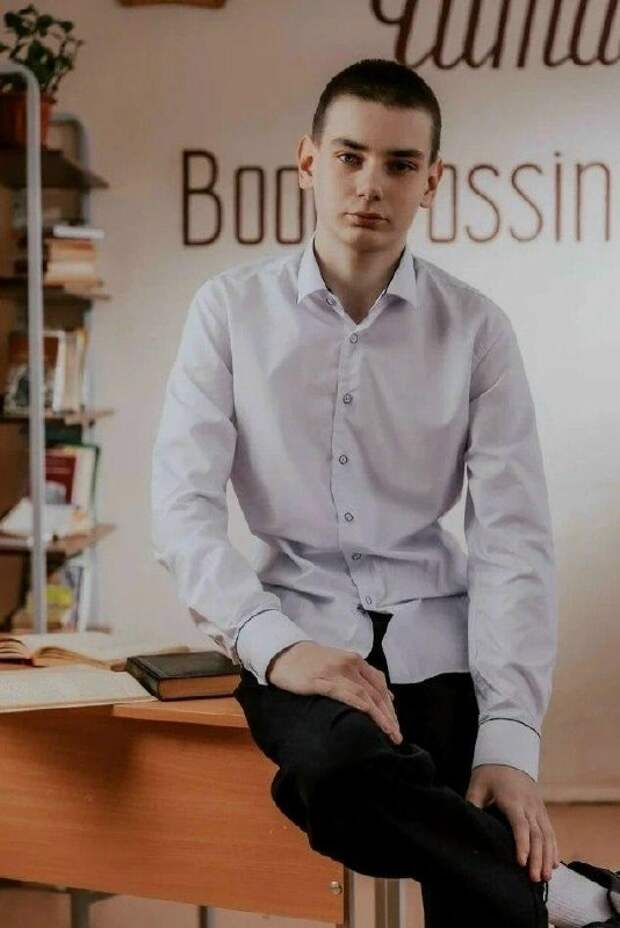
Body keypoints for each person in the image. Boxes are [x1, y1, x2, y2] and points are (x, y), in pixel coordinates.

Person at [151, 58, 619, 928]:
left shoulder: (477, 329)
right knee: (339, 776)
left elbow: (513, 539)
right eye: (350, 156)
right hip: (298, 631)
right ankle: (575, 896)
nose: (371, 184)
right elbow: (182, 510)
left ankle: (541, 893)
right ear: (308, 161)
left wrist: (510, 739)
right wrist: (275, 646)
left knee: (476, 850)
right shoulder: (228, 312)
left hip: (441, 639)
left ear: (430, 181)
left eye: (400, 164)